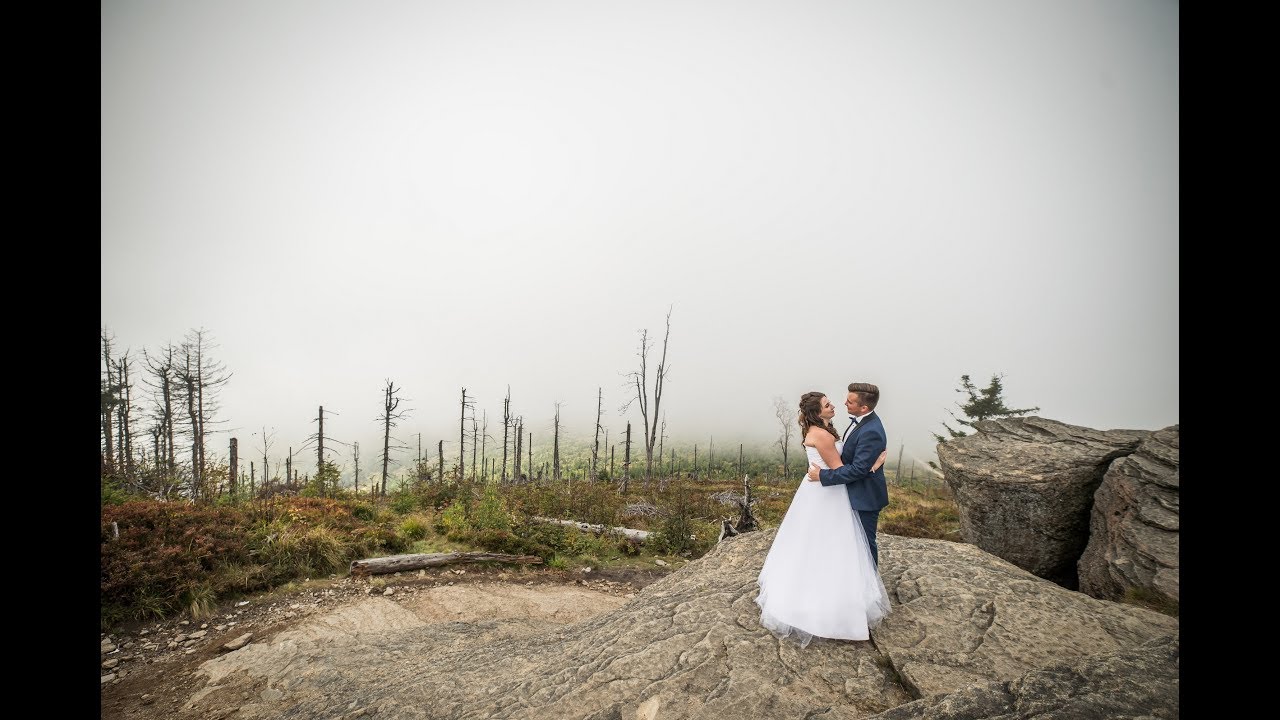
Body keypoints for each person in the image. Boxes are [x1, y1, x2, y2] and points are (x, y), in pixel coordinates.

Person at [755, 391, 891, 647]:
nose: (835, 405)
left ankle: (848, 593)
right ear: (817, 413)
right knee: (831, 544)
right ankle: (833, 600)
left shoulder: (825, 428)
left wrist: (869, 464)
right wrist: (873, 466)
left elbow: (844, 463)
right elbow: (840, 470)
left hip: (826, 491)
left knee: (822, 543)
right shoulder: (821, 434)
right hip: (827, 493)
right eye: (827, 404)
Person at [806, 382, 889, 566]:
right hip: (846, 492)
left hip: (865, 496)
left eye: (850, 402)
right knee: (849, 542)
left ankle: (869, 586)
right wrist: (872, 465)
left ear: (864, 407)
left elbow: (858, 468)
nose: (844, 403)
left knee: (865, 544)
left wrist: (823, 476)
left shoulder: (871, 430)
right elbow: (852, 460)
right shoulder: (861, 422)